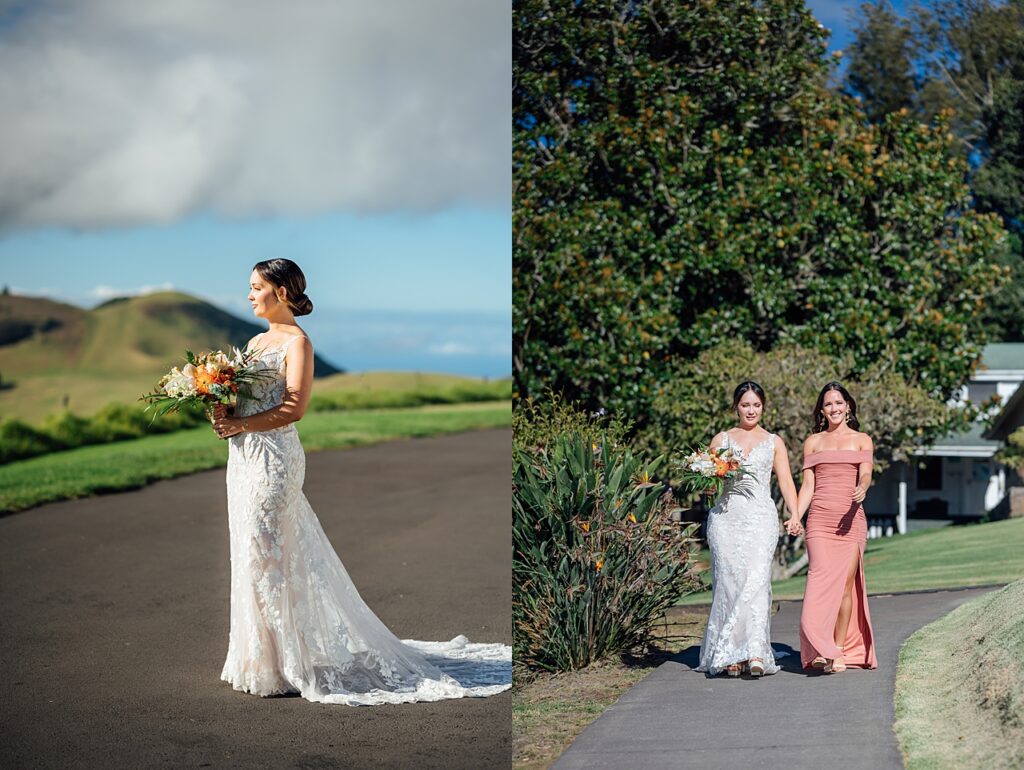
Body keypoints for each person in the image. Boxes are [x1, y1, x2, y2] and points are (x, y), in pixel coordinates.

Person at [211, 258, 510, 705]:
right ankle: (258, 660)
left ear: (283, 293)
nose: (249, 295)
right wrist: (220, 409)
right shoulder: (254, 342)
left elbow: (294, 409)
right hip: (244, 460)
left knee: (268, 553)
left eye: (257, 287)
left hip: (275, 460)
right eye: (249, 287)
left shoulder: (298, 344)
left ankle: (286, 663)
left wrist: (243, 426)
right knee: (249, 551)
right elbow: (245, 404)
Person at [697, 381, 800, 677]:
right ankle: (731, 653)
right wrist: (708, 477)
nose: (751, 410)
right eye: (745, 405)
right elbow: (708, 482)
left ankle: (755, 651)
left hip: (759, 518)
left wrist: (794, 514)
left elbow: (785, 481)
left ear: (763, 407)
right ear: (736, 407)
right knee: (729, 583)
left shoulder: (774, 442)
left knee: (755, 583)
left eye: (756, 405)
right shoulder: (722, 439)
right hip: (726, 518)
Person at [794, 381, 878, 673]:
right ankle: (819, 647)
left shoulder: (862, 439)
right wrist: (795, 515)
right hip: (819, 520)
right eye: (828, 404)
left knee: (844, 589)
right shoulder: (813, 442)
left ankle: (837, 651)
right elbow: (807, 486)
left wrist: (862, 488)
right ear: (821, 409)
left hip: (851, 521)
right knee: (817, 584)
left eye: (839, 403)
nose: (834, 408)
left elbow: (866, 473)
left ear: (849, 406)